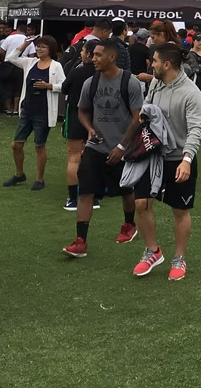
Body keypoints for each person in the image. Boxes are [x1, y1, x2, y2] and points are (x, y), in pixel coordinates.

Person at [119, 42, 201, 281]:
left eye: (155, 61)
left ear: (167, 65)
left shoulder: (191, 93)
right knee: (141, 203)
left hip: (179, 158)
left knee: (179, 210)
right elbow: (148, 107)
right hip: (152, 155)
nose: (152, 65)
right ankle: (153, 251)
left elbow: (196, 129)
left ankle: (179, 258)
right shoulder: (156, 83)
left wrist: (187, 160)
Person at [62, 40, 144, 258]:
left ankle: (129, 225)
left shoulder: (130, 83)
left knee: (126, 190)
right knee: (86, 190)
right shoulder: (91, 82)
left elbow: (137, 118)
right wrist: (89, 129)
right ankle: (81, 241)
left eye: (98, 55)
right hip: (96, 147)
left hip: (124, 148)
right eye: (92, 55)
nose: (93, 59)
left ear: (112, 57)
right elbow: (82, 111)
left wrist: (122, 146)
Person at [3, 35, 66, 191]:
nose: (39, 49)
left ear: (51, 49)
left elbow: (64, 85)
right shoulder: (30, 62)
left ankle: (39, 179)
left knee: (39, 146)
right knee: (16, 144)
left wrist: (49, 86)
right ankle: (19, 174)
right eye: (38, 46)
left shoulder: (56, 66)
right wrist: (25, 44)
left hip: (43, 111)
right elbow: (10, 58)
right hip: (27, 110)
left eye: (43, 46)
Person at [61, 39, 98, 211]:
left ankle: (72, 199)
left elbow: (64, 88)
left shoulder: (77, 71)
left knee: (74, 157)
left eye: (83, 51)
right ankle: (94, 197)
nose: (81, 53)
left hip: (76, 115)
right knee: (94, 157)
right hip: (97, 118)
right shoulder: (104, 74)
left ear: (89, 54)